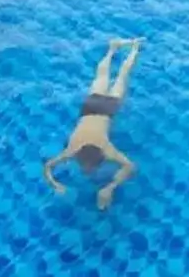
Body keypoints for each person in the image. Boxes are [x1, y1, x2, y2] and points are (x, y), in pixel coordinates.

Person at [43, 38, 142, 208]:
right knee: (108, 76)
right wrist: (111, 187)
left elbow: (48, 167)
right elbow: (130, 167)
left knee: (118, 76)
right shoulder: (83, 150)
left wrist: (110, 188)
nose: (86, 169)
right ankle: (125, 48)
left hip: (104, 109)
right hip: (92, 107)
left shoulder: (86, 150)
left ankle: (122, 49)